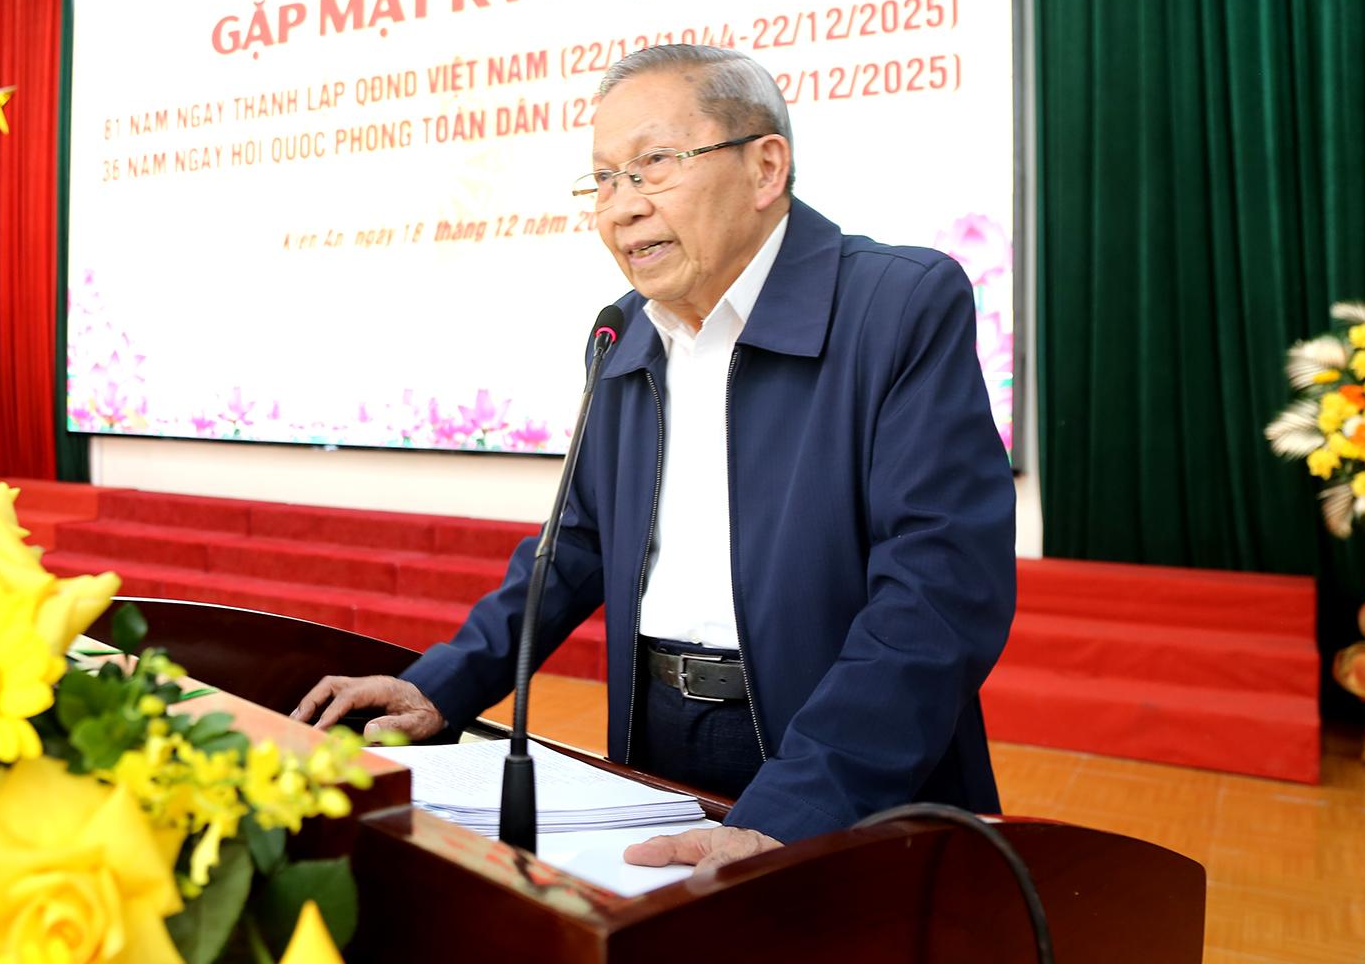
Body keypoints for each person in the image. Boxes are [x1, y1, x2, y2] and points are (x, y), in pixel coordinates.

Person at [293, 44, 1016, 875]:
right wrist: (441, 684)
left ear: (765, 167)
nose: (622, 207)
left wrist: (801, 805)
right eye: (604, 179)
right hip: (655, 741)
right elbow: (575, 545)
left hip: (841, 762)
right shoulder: (626, 332)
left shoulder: (895, 306)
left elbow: (938, 594)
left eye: (654, 166)